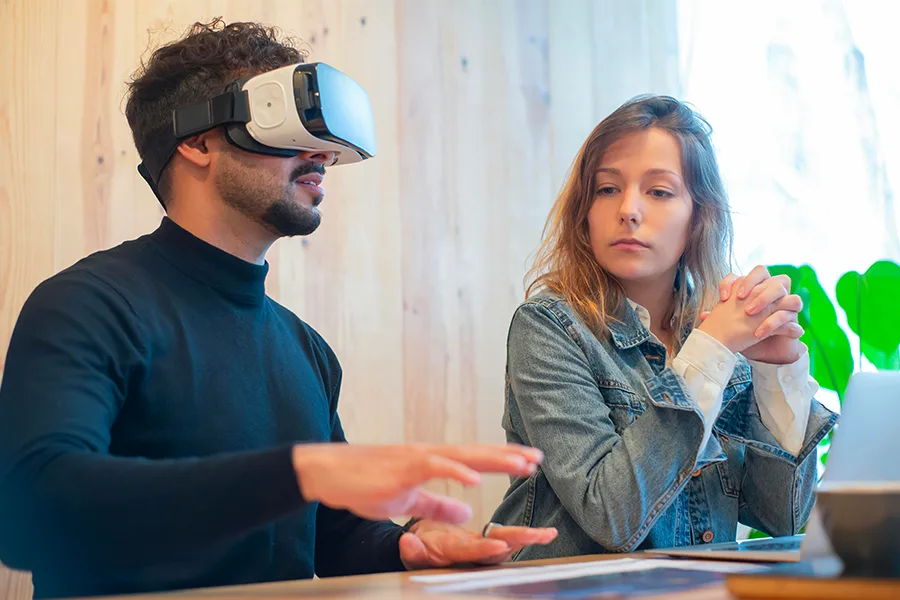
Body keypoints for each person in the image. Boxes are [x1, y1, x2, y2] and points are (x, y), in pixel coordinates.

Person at [0, 19, 556, 598]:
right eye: (284, 121)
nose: (320, 154)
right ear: (196, 141)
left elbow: (330, 533)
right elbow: (32, 512)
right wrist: (299, 471)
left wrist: (405, 546)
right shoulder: (89, 306)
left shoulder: (306, 348)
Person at [490, 95, 838, 560]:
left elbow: (785, 519)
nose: (629, 210)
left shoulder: (717, 336)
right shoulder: (550, 327)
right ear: (585, 211)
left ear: (699, 217)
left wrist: (776, 376)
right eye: (607, 189)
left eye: (658, 191)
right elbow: (611, 516)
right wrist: (711, 350)